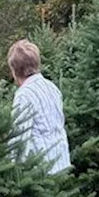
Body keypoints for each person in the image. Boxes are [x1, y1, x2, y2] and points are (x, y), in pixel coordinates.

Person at [7, 39, 70, 174]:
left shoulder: (24, 95)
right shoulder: (51, 87)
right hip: (62, 161)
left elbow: (20, 136)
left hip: (41, 169)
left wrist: (13, 168)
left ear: (14, 71)